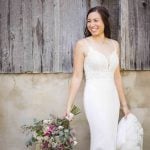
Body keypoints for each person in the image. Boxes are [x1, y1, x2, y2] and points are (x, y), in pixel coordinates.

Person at [65, 6, 130, 150]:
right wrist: (69, 105)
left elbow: (117, 77)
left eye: (96, 20)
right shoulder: (82, 45)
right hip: (94, 96)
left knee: (110, 137)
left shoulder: (115, 45)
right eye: (89, 21)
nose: (92, 24)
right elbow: (77, 76)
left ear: (105, 22)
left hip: (112, 98)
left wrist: (124, 105)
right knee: (101, 135)